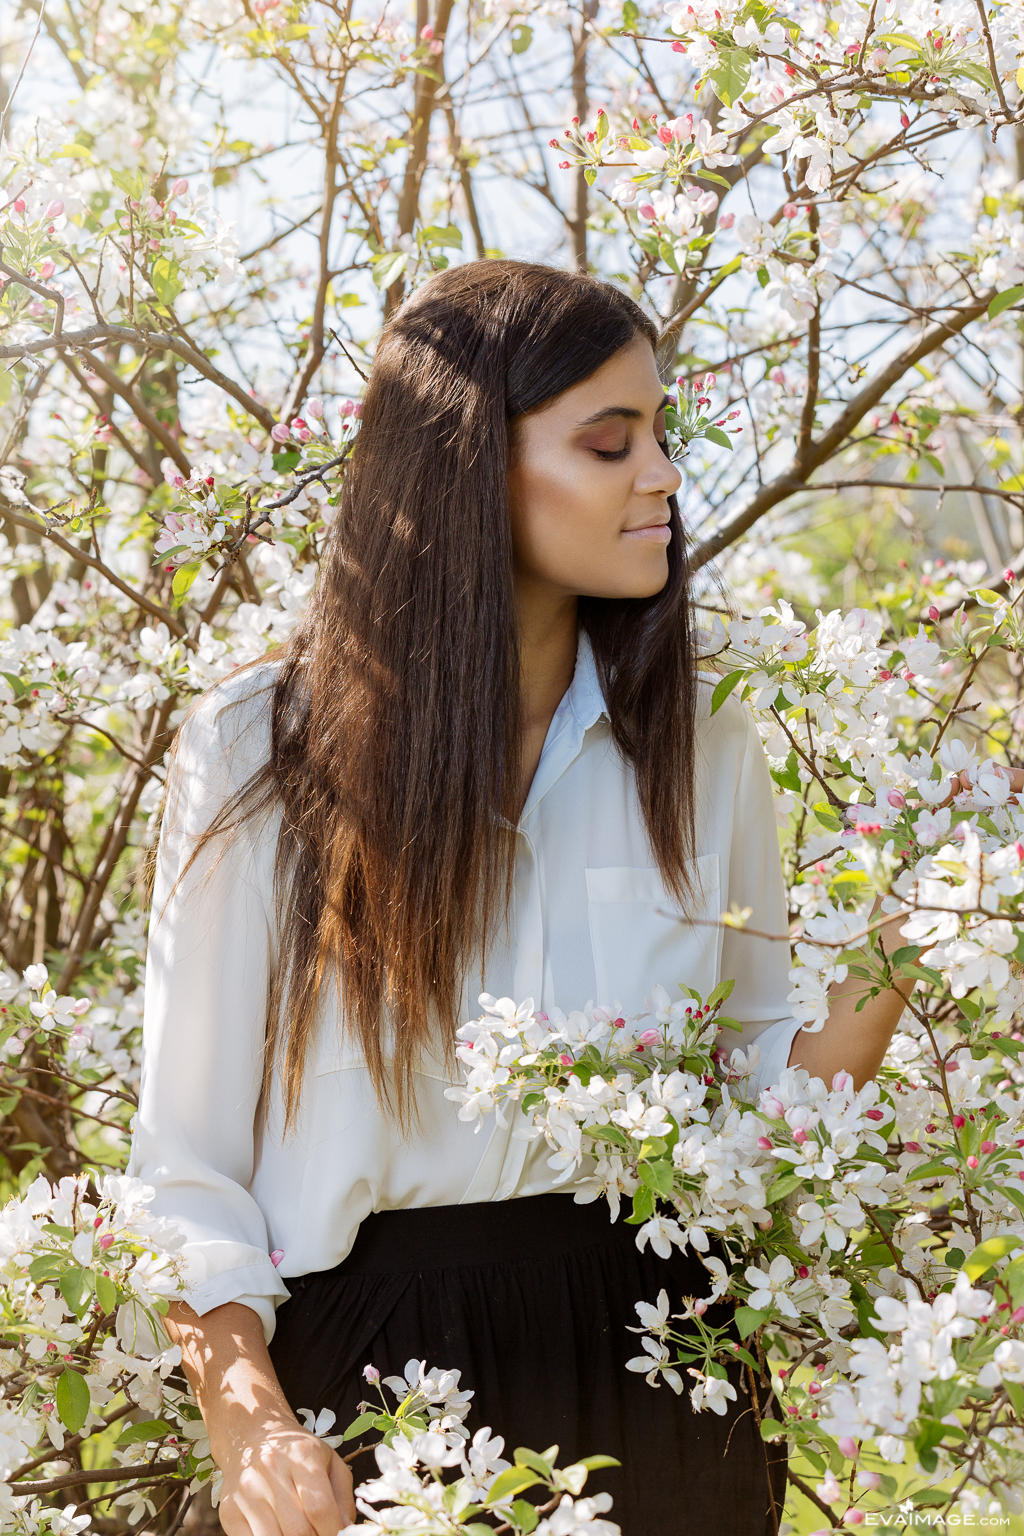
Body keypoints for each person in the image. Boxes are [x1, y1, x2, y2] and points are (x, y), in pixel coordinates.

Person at [129, 260, 917, 1536]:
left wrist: (924, 934)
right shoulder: (256, 752)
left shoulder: (703, 738)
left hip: (665, 1359)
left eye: (660, 436)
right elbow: (186, 1171)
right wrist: (251, 1426)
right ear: (464, 473)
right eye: (610, 444)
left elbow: (762, 1102)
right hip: (374, 1389)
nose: (662, 476)